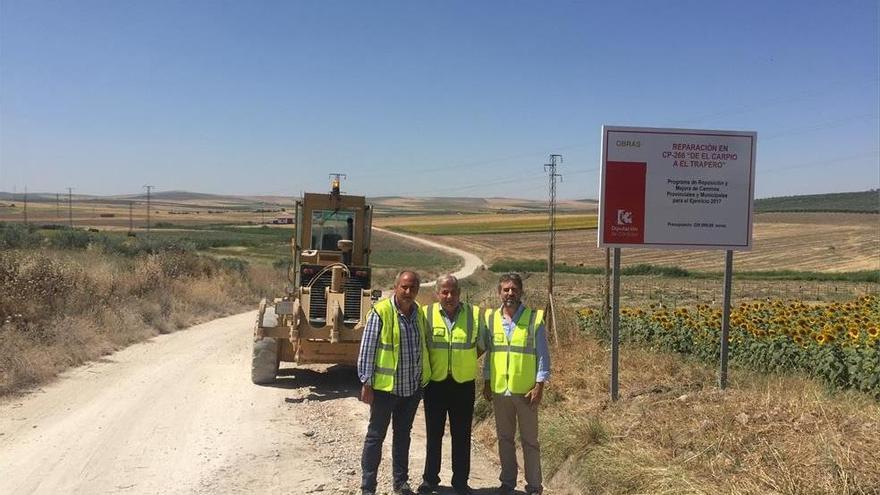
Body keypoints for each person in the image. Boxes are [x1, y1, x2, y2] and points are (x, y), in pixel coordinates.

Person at [358, 271, 431, 495]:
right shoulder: (381, 312)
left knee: (402, 436)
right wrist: (366, 383)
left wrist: (422, 381)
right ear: (396, 286)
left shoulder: (419, 314)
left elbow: (424, 347)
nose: (408, 292)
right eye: (404, 287)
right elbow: (367, 350)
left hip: (411, 389)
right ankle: (368, 486)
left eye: (413, 288)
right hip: (384, 390)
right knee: (375, 436)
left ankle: (401, 483)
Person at [482, 272, 551, 495]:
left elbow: (543, 355)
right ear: (499, 293)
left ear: (521, 291)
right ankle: (508, 482)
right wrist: (487, 381)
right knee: (504, 439)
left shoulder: (533, 318)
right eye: (506, 289)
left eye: (514, 289)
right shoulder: (491, 319)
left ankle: (533, 486)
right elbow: (490, 354)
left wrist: (540, 384)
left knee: (530, 441)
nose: (510, 293)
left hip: (526, 391)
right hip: (501, 390)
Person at [417, 275, 483, 495]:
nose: (449, 296)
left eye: (453, 292)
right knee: (433, 434)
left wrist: (464, 361)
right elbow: (422, 346)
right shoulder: (425, 315)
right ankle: (430, 479)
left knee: (462, 435)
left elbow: (481, 345)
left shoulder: (474, 314)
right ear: (437, 294)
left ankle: (461, 482)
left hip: (463, 384)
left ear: (459, 292)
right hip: (435, 384)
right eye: (444, 292)